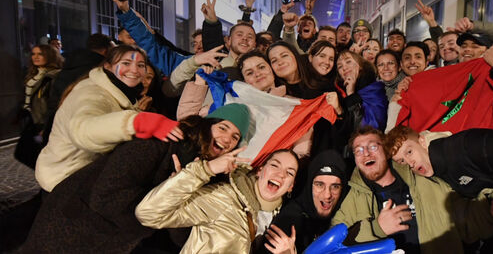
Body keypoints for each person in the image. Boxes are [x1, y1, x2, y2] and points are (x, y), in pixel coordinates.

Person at [20, 105, 250, 254]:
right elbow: (106, 198)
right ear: (206, 125)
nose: (227, 138)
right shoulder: (160, 144)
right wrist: (166, 192)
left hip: (111, 241)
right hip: (71, 225)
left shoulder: (202, 174)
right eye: (223, 127)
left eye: (235, 137)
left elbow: (178, 230)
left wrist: (178, 190)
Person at [35, 45, 183, 192]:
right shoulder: (92, 93)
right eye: (125, 63)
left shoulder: (125, 93)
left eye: (140, 65)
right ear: (108, 66)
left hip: (84, 176)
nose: (134, 70)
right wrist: (138, 121)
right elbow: (82, 129)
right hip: (64, 180)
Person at [331, 127, 493, 253]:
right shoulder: (350, 200)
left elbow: (468, 222)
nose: (366, 153)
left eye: (373, 147)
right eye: (358, 150)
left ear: (387, 151)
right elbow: (333, 247)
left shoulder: (427, 180)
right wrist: (376, 228)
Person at [135, 149, 300, 254]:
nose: (280, 175)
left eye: (290, 173)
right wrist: (206, 169)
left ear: (291, 186)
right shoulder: (224, 198)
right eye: (275, 166)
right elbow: (148, 213)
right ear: (260, 170)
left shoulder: (284, 224)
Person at [256, 150, 347, 254]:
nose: (327, 195)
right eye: (319, 185)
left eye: (335, 187)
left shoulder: (347, 213)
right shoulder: (289, 221)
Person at [336, 50, 388, 132]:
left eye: (348, 62)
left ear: (360, 65)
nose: (344, 68)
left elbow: (370, 129)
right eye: (340, 66)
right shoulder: (339, 94)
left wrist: (351, 95)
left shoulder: (374, 89)